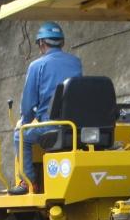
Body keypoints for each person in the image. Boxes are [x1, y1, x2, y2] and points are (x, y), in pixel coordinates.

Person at [10, 21, 83, 195]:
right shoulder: (76, 62)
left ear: (42, 43)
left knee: (20, 135)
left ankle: (29, 183)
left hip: (51, 126)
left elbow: (28, 104)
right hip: (75, 127)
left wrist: (25, 121)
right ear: (62, 42)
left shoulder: (36, 66)